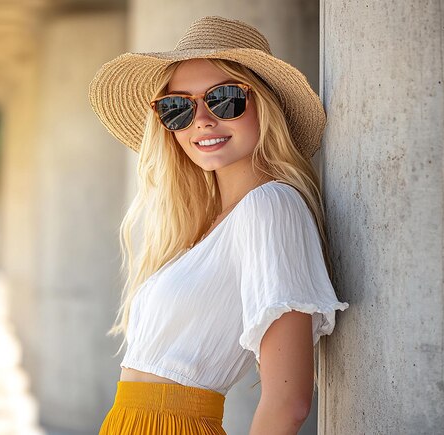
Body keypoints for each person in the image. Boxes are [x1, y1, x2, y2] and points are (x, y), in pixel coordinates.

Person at [88, 15, 349, 435]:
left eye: (225, 98)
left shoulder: (271, 207)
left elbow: (289, 403)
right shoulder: (209, 225)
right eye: (178, 108)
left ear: (265, 105)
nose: (203, 120)